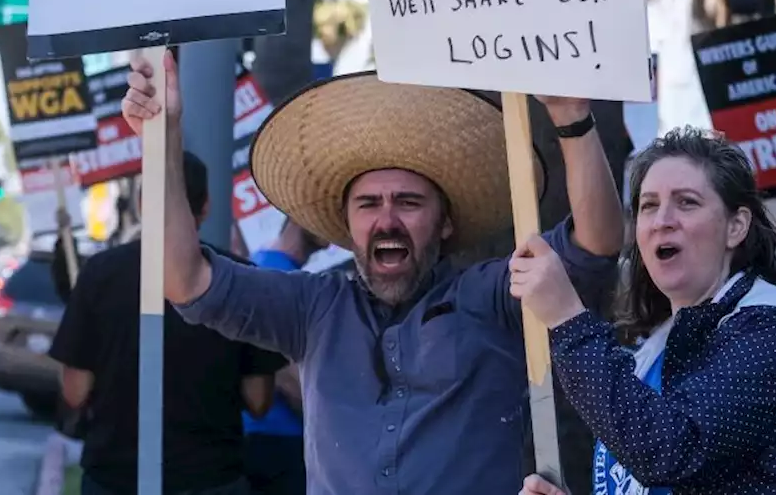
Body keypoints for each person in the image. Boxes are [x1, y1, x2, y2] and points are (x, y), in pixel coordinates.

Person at [119, 57, 624, 495]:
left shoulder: (490, 296)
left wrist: (570, 116)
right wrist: (160, 142)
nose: (387, 220)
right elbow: (185, 279)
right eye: (368, 204)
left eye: (408, 202)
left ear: (445, 222)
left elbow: (594, 246)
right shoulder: (312, 308)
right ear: (346, 226)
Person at [511, 126, 776, 495]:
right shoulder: (656, 347)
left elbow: (669, 451)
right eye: (649, 205)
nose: (662, 219)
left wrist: (568, 319)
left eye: (687, 202)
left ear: (735, 227)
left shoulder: (771, 335)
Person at [49, 150, 288, 495]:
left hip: (115, 477)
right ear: (206, 206)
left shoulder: (99, 274)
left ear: (143, 204)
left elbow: (75, 391)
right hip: (211, 478)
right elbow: (259, 400)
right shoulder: (240, 279)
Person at [241, 222, 325, 495]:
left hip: (260, 440)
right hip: (279, 445)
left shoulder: (263, 267)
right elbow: (287, 378)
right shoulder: (280, 278)